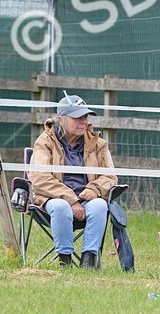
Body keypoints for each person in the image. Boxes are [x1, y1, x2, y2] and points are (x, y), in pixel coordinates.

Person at [29, 94, 119, 270]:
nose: (83, 121)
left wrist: (95, 189)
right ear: (61, 119)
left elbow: (110, 176)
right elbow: (38, 177)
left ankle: (89, 260)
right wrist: (72, 199)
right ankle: (65, 260)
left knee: (100, 205)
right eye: (77, 117)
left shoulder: (98, 144)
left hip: (86, 198)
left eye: (85, 117)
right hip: (52, 198)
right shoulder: (44, 142)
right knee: (61, 207)